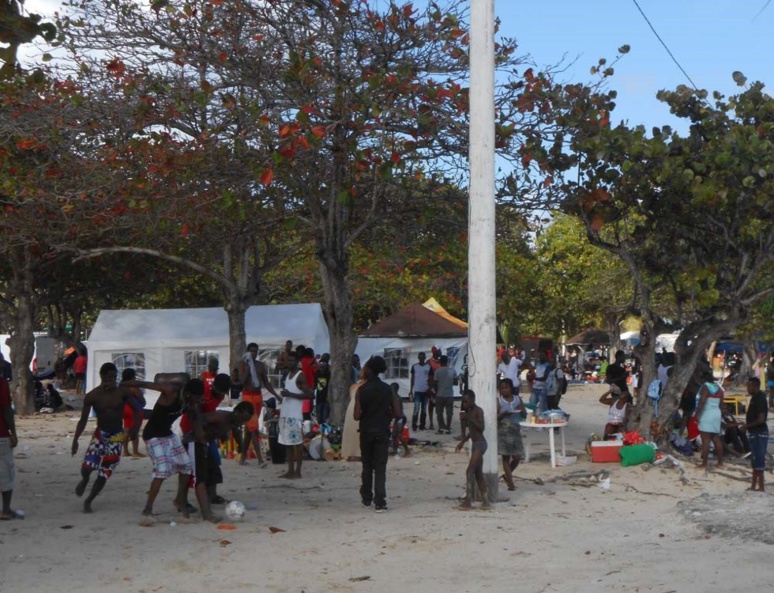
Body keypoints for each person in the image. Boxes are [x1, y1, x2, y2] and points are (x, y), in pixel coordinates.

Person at [71, 362, 142, 513]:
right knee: (88, 467)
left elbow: (137, 409)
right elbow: (83, 420)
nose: (112, 380)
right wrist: (75, 439)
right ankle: (85, 479)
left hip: (116, 435)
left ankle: (89, 500)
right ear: (102, 376)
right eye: (109, 377)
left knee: (105, 471)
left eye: (114, 377)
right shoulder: (92, 395)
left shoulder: (122, 392)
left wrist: (135, 429)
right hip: (100, 434)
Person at [354, 356, 399, 512]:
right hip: (382, 431)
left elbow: (356, 415)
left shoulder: (361, 390)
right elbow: (397, 412)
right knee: (380, 467)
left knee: (367, 465)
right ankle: (380, 501)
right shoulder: (388, 389)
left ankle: (366, 496)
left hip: (366, 431)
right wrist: (387, 415)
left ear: (370, 370)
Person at [238, 343, 280, 465]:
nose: (254, 354)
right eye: (251, 351)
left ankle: (242, 458)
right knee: (254, 428)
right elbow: (241, 381)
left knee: (249, 428)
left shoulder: (261, 366)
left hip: (257, 397)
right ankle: (260, 459)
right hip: (247, 396)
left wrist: (276, 395)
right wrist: (248, 368)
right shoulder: (243, 365)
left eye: (256, 351)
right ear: (247, 352)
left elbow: (266, 382)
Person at [278, 351, 313, 479]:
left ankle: (298, 471)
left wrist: (290, 395)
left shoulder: (300, 376)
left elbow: (309, 394)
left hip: (294, 415)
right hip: (286, 413)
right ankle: (290, 470)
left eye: (292, 361)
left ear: (297, 362)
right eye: (288, 360)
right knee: (287, 443)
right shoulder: (288, 375)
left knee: (297, 443)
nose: (290, 363)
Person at [455, 389, 490, 510]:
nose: (464, 404)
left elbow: (481, 427)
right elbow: (471, 432)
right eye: (463, 402)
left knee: (469, 471)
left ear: (473, 400)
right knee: (477, 473)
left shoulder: (477, 411)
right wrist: (462, 441)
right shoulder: (468, 412)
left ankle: (468, 500)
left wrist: (468, 418)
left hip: (481, 444)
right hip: (476, 444)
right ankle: (486, 500)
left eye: (466, 402)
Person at [737, 377, 768, 491]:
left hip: (759, 433)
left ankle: (761, 486)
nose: (747, 388)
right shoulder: (756, 397)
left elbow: (761, 419)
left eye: (749, 386)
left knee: (759, 459)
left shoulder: (760, 399)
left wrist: (747, 426)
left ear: (755, 386)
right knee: (755, 459)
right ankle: (754, 485)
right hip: (754, 432)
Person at [496, 378, 524, 491]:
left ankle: (507, 475)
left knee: (517, 457)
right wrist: (502, 414)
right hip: (503, 430)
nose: (504, 390)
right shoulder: (499, 401)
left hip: (515, 430)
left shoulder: (517, 399)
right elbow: (496, 417)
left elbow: (524, 413)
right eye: (501, 388)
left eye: (506, 388)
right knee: (506, 457)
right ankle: (511, 483)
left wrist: (521, 410)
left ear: (511, 388)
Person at [694, 370, 725, 470]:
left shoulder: (705, 386)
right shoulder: (719, 388)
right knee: (716, 438)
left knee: (705, 440)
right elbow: (721, 404)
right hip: (716, 413)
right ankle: (720, 462)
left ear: (703, 378)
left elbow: (702, 402)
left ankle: (704, 463)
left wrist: (697, 415)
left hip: (707, 414)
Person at [1, 375, 21, 520]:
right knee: (6, 472)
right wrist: (13, 432)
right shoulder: (1, 383)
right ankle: (6, 510)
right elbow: (6, 409)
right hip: (1, 435)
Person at [121, 369, 146, 457]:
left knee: (126, 430)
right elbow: (140, 397)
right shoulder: (133, 386)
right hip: (134, 409)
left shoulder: (121, 385)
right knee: (135, 430)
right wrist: (143, 403)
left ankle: (125, 451)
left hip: (125, 408)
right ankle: (135, 451)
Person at [341, 368, 365, 462]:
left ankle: (359, 453)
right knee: (350, 431)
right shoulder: (353, 385)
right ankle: (350, 452)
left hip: (360, 408)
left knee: (358, 432)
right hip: (351, 409)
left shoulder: (366, 385)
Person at [433, 355, 457, 434]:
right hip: (449, 394)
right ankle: (448, 427)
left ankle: (441, 427)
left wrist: (436, 392)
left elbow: (435, 384)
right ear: (447, 361)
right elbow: (455, 382)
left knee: (439, 412)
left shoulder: (437, 371)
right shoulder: (452, 371)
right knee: (449, 412)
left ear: (440, 362)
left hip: (440, 394)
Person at [409, 352, 433, 432]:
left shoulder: (429, 367)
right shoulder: (414, 367)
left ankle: (422, 425)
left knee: (424, 409)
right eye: (420, 357)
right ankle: (414, 425)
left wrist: (429, 388)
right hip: (417, 390)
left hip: (425, 390)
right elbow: (412, 379)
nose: (421, 359)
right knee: (416, 408)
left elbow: (431, 379)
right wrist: (410, 390)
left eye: (423, 357)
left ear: (425, 357)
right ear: (418, 358)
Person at [390, 382, 411, 458]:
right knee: (394, 435)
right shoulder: (397, 397)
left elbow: (397, 412)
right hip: (399, 418)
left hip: (400, 418)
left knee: (398, 434)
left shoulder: (396, 398)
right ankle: (395, 450)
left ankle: (407, 451)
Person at [314, 353, 331, 425]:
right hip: (318, 398)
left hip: (326, 398)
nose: (322, 368)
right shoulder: (317, 373)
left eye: (323, 366)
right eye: (320, 366)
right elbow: (315, 384)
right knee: (318, 417)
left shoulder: (329, 374)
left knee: (325, 417)